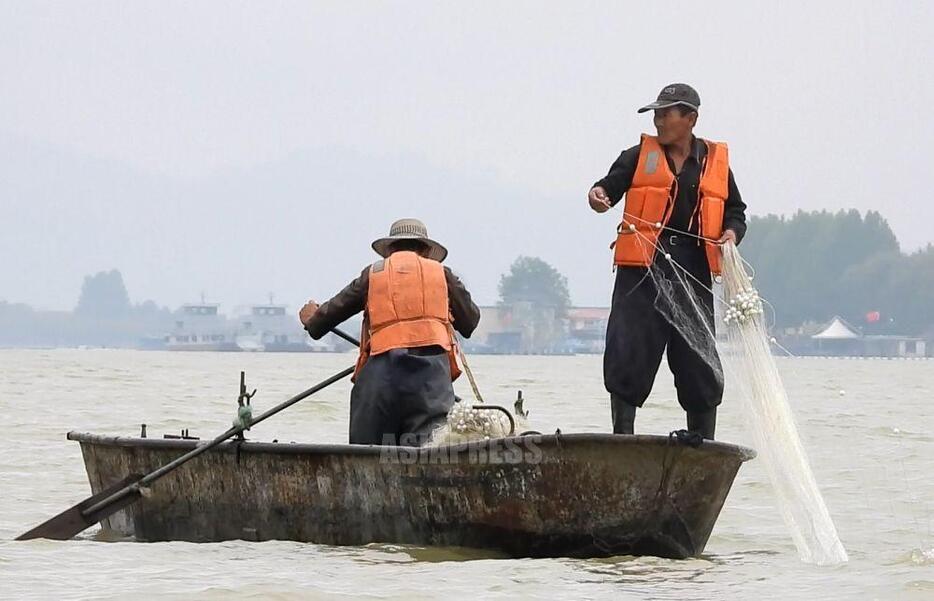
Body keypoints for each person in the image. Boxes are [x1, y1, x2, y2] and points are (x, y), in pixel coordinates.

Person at [587, 83, 747, 440]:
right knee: (629, 350)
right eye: (656, 114)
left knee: (698, 358)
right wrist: (598, 197)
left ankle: (702, 443)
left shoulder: (714, 163)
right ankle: (623, 439)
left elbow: (736, 211)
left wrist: (732, 235)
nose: (658, 121)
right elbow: (606, 189)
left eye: (666, 113)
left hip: (692, 274)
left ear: (690, 118)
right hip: (641, 273)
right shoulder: (636, 156)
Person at [299, 219, 480, 446]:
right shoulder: (443, 275)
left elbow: (321, 324)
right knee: (427, 452)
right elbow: (470, 323)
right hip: (431, 386)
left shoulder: (374, 274)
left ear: (390, 250)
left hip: (381, 382)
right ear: (425, 251)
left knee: (369, 454)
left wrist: (311, 318)